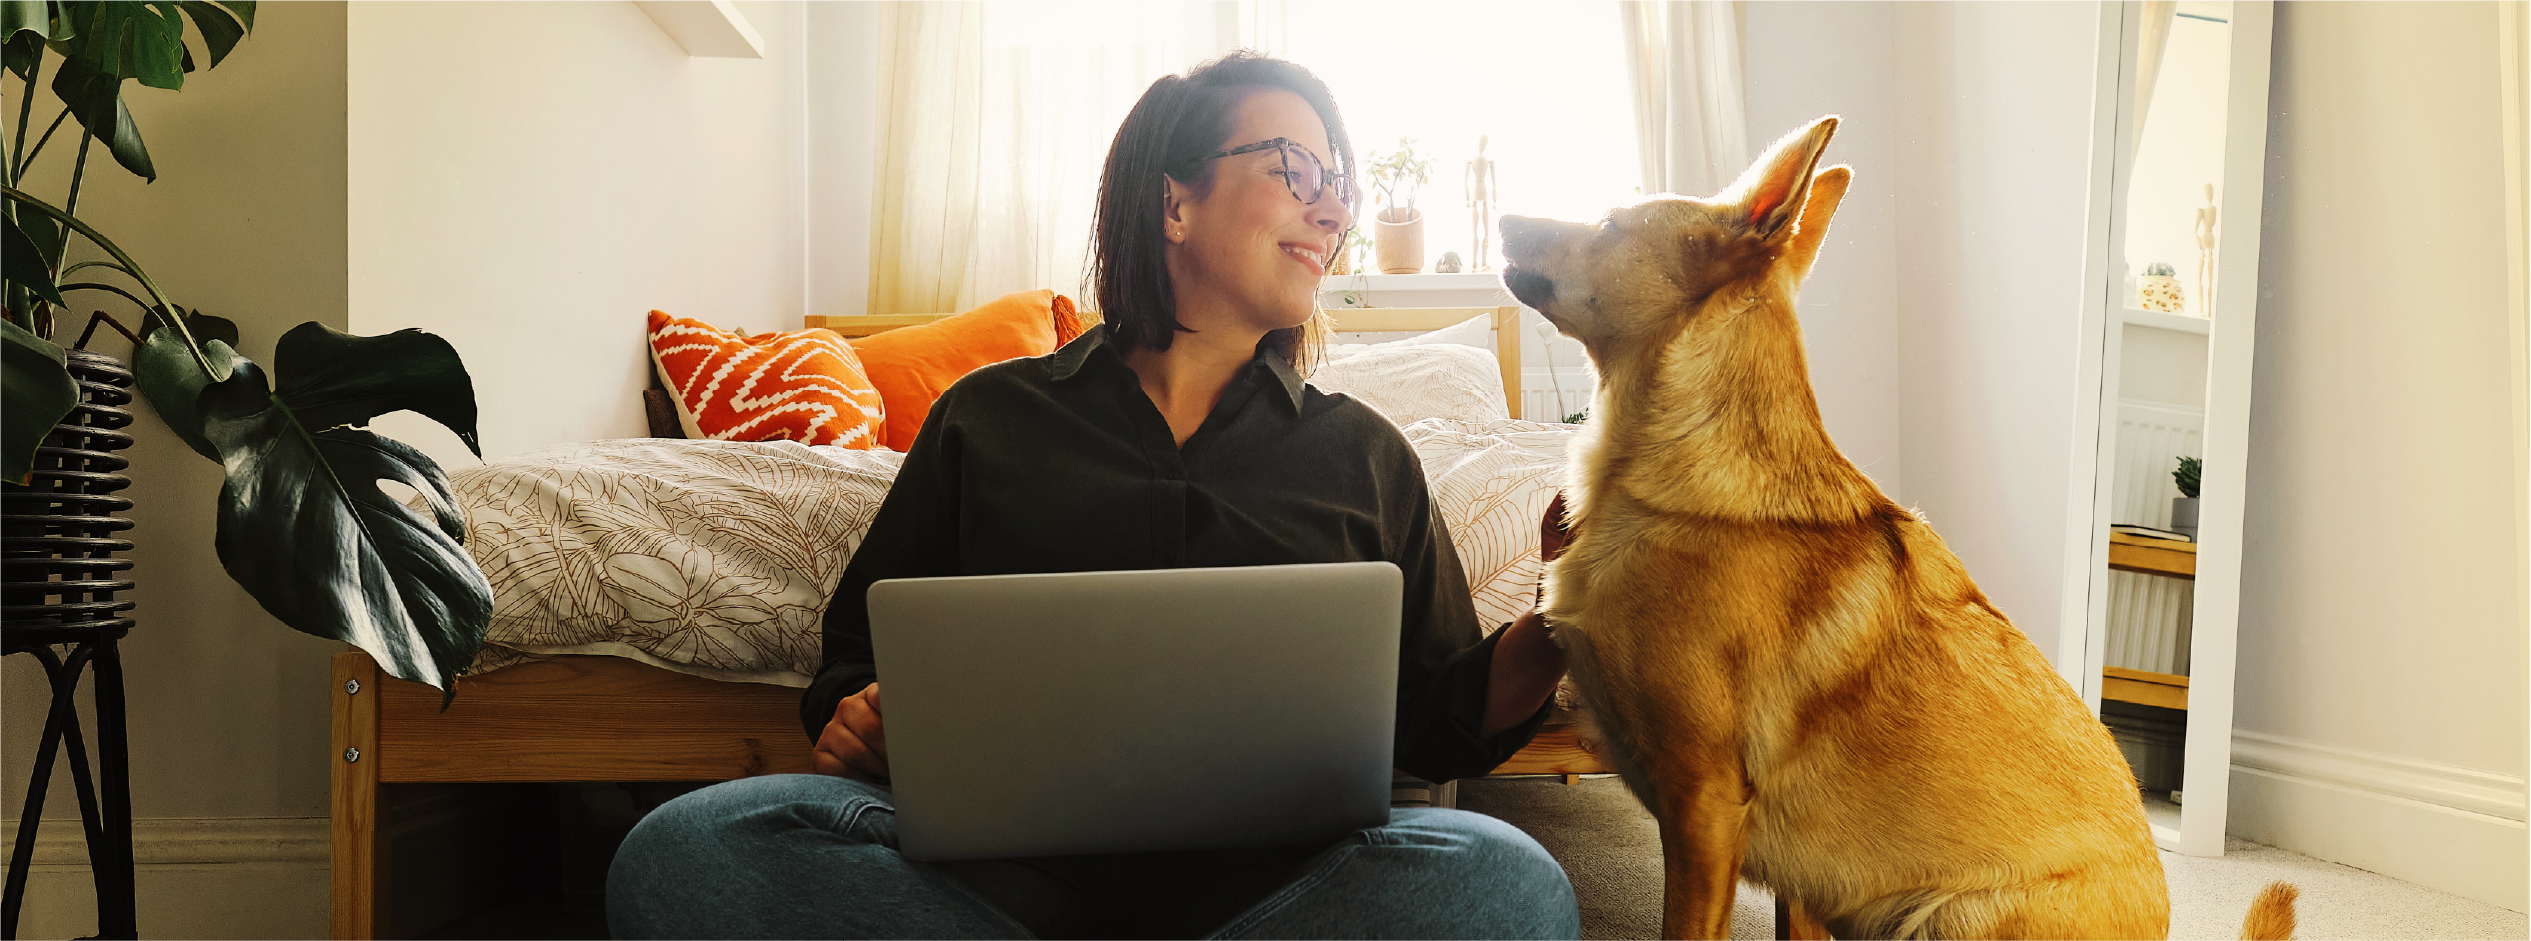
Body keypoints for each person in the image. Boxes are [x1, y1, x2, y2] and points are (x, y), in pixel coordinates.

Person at [607, 51, 1579, 941]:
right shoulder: (984, 420)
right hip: (997, 888)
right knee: (688, 847)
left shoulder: (1366, 455)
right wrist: (853, 710)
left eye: (1339, 185)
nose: (1332, 212)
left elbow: (1444, 721)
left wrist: (1560, 609)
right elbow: (855, 660)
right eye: (1294, 168)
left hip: (1278, 892)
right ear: (1173, 203)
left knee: (1508, 882)